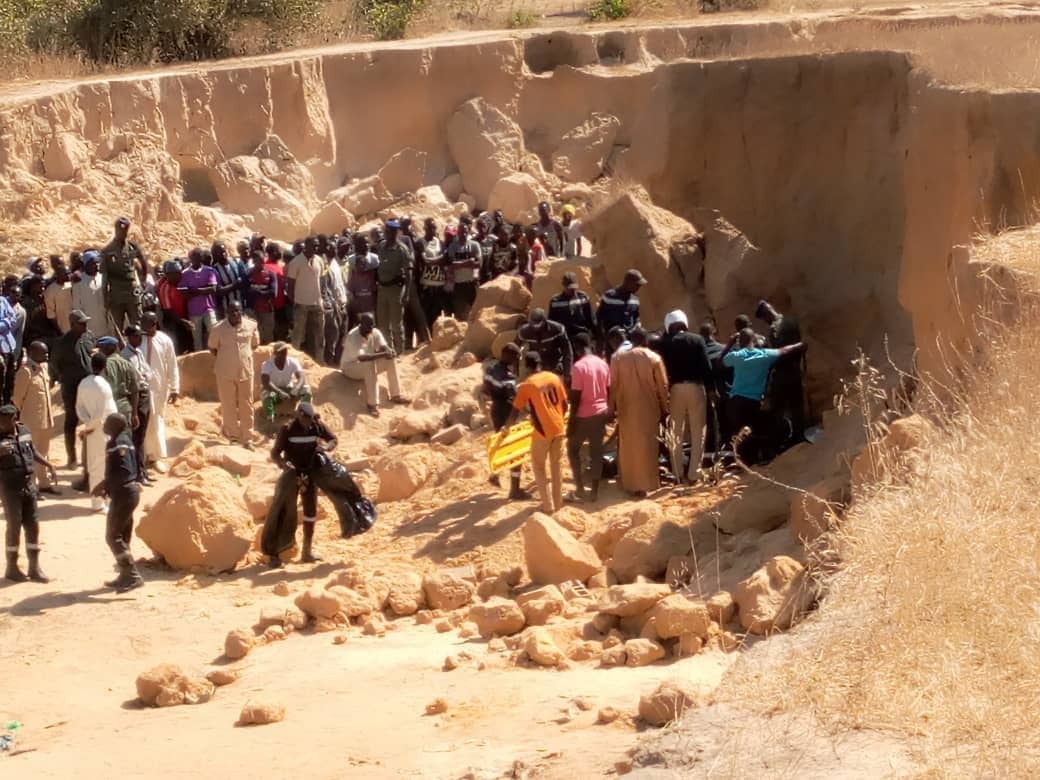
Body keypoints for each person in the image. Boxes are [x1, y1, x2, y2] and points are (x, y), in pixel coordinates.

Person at [722, 328, 806, 464]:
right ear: (753, 340)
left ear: (740, 341)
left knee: (741, 434)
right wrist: (800, 345)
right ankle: (762, 457)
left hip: (735, 402)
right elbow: (784, 350)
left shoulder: (736, 356)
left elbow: (722, 361)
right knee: (759, 428)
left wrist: (730, 344)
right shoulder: (764, 355)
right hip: (752, 403)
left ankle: (747, 463)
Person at [267, 402, 337, 565]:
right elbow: (275, 453)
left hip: (310, 473)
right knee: (283, 510)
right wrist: (283, 464)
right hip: (292, 474)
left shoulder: (316, 426)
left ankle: (307, 552)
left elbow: (333, 439)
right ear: (298, 415)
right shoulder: (287, 429)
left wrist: (327, 447)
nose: (308, 423)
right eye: (305, 419)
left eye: (310, 419)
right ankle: (274, 554)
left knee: (310, 512)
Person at [503, 352, 568, 515]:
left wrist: (506, 428)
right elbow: (565, 404)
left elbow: (515, 411)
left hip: (542, 431)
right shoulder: (554, 378)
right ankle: (558, 503)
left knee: (539, 467)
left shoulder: (528, 385)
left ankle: (547, 506)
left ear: (527, 366)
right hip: (559, 427)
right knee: (556, 466)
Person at [609, 328, 669, 497]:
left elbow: (613, 386)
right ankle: (648, 483)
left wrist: (611, 408)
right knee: (649, 445)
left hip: (626, 408)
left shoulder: (617, 358)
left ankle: (630, 484)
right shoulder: (654, 358)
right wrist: (665, 407)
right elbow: (662, 386)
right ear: (646, 341)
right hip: (649, 408)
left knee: (629, 446)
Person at [657, 310, 715, 485]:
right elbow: (707, 367)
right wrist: (712, 390)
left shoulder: (663, 343)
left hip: (674, 389)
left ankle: (677, 473)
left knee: (676, 431)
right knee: (698, 432)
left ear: (669, 326)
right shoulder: (697, 340)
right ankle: (694, 474)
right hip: (696, 388)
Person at [0, 403, 55, 582]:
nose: (1, 424)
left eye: (5, 421)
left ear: (14, 419)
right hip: (9, 488)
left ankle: (34, 567)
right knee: (14, 527)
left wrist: (48, 464)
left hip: (29, 485)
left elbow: (32, 451)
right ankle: (12, 567)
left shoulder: (24, 431)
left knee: (33, 526)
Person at [94, 413, 144, 592]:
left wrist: (104, 484)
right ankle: (125, 574)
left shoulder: (116, 443)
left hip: (123, 494)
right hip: (129, 492)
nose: (104, 424)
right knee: (122, 536)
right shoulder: (126, 440)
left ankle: (132, 576)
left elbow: (122, 471)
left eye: (107, 422)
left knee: (112, 536)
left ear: (115, 425)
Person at [208, 301, 260, 448]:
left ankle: (248, 437)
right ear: (227, 313)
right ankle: (233, 436)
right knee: (228, 403)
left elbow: (255, 345)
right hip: (225, 372)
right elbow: (213, 348)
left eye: (238, 311)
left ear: (241, 311)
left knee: (247, 404)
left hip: (245, 371)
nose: (236, 314)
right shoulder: (218, 329)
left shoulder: (251, 325)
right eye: (232, 312)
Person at [566, 332, 610, 503]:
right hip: (601, 412)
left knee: (573, 450)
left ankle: (580, 489)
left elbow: (576, 397)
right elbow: (608, 389)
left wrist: (571, 421)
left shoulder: (578, 367)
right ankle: (595, 492)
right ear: (590, 345)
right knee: (596, 452)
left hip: (584, 415)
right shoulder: (603, 364)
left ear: (577, 348)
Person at [756, 299, 807, 445]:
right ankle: (799, 435)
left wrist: (765, 348)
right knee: (797, 405)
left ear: (766, 315)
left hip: (783, 372)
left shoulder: (774, 329)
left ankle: (779, 440)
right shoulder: (791, 321)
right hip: (795, 368)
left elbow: (778, 352)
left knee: (777, 407)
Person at [12, 341, 58, 496]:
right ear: (32, 353)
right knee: (30, 456)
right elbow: (18, 399)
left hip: (46, 419)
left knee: (44, 454)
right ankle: (32, 488)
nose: (46, 355)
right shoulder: (25, 372)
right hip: (31, 421)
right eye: (43, 353)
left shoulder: (44, 368)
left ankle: (44, 484)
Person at [482, 343, 528, 500]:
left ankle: (495, 474)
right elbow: (514, 398)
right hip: (507, 412)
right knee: (516, 449)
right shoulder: (508, 376)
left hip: (495, 409)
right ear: (508, 355)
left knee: (499, 442)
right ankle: (515, 489)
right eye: (516, 357)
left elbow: (485, 389)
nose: (517, 360)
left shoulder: (489, 370)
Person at [51, 309, 96, 468]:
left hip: (89, 385)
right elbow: (55, 365)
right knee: (72, 419)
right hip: (71, 386)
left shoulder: (88, 337)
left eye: (86, 322)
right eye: (81, 323)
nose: (85, 325)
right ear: (72, 325)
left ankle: (89, 456)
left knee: (91, 419)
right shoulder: (62, 343)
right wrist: (66, 376)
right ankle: (72, 457)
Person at [340, 312, 406, 418]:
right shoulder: (353, 336)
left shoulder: (374, 331)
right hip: (350, 368)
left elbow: (384, 346)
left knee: (390, 360)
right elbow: (363, 358)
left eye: (372, 325)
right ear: (360, 324)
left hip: (365, 364)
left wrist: (389, 351)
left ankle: (395, 395)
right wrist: (384, 354)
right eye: (368, 325)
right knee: (369, 364)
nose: (371, 328)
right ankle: (372, 404)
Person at [77, 352, 117, 511]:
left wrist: (87, 426)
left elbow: (79, 408)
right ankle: (101, 501)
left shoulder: (83, 383)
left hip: (92, 430)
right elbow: (101, 413)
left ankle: (98, 501)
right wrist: (92, 426)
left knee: (94, 466)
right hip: (103, 430)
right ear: (104, 367)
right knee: (104, 466)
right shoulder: (103, 385)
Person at [140, 312, 179, 472]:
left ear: (155, 324)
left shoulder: (164, 340)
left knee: (156, 421)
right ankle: (143, 456)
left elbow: (172, 365)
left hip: (159, 387)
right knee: (143, 421)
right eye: (142, 323)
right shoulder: (137, 339)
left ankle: (155, 457)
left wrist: (175, 388)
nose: (144, 327)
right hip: (141, 388)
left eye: (148, 324)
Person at [120, 325, 154, 484]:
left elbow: (148, 372)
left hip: (145, 394)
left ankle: (142, 470)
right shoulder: (125, 356)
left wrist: (145, 377)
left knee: (142, 436)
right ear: (130, 337)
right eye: (138, 336)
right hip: (137, 396)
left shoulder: (138, 352)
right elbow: (133, 381)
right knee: (137, 436)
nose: (141, 339)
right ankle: (138, 473)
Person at [101, 217, 146, 330]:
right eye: (120, 230)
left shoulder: (132, 246)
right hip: (116, 294)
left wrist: (143, 282)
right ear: (116, 230)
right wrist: (105, 297)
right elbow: (105, 276)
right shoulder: (107, 251)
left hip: (132, 292)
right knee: (118, 327)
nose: (123, 233)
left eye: (125, 230)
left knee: (137, 324)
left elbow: (143, 263)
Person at [287, 236, 325, 362]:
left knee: (319, 335)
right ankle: (293, 362)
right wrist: (294, 301)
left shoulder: (319, 260)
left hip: (317, 303)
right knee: (298, 335)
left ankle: (319, 361)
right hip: (301, 304)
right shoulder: (296, 262)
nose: (316, 248)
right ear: (306, 245)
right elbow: (290, 285)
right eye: (314, 245)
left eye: (317, 245)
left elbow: (321, 281)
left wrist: (322, 299)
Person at [376, 220, 412, 354]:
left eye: (390, 231)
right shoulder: (381, 246)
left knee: (396, 324)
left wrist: (407, 293)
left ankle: (399, 351)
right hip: (382, 289)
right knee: (383, 324)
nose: (387, 233)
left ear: (395, 233)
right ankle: (389, 351)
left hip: (395, 290)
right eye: (386, 231)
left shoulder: (402, 249)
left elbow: (408, 272)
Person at [98, 336, 139, 438]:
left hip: (109, 407)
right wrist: (134, 413)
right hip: (125, 407)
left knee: (111, 442)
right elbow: (135, 390)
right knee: (126, 440)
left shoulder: (104, 366)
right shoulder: (127, 364)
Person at [261, 342, 311, 423]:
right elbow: (266, 382)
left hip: (289, 390)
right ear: (275, 353)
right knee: (267, 395)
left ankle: (304, 414)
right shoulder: (267, 364)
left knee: (306, 390)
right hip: (275, 392)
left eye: (285, 351)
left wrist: (296, 389)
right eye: (281, 352)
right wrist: (279, 392)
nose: (284, 353)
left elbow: (301, 377)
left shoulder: (293, 362)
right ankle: (270, 419)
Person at [517, 308, 573, 379]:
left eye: (538, 324)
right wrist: (516, 369)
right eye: (533, 324)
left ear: (544, 320)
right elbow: (515, 348)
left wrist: (568, 372)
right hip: (537, 367)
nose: (535, 327)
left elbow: (567, 351)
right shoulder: (525, 331)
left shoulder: (557, 329)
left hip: (555, 366)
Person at [180, 248, 218, 352]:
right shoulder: (185, 273)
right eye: (194, 257)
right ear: (190, 259)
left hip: (208, 308)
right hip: (194, 311)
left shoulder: (209, 270)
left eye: (199, 257)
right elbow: (184, 294)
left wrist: (194, 291)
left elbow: (212, 289)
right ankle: (200, 360)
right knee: (197, 339)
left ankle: (216, 354)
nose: (196, 259)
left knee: (214, 332)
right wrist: (203, 289)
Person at [548, 272, 596, 350]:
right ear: (564, 286)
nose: (572, 290)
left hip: (582, 336)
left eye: (574, 287)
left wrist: (595, 336)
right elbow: (552, 322)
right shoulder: (555, 301)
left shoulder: (583, 298)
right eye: (569, 288)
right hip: (565, 337)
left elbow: (590, 318)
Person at [447, 217, 482, 321]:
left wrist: (459, 264)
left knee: (477, 313)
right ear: (458, 232)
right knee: (460, 315)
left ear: (468, 232)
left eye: (465, 231)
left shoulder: (475, 245)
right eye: (461, 232)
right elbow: (451, 266)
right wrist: (468, 263)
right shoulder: (453, 246)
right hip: (459, 285)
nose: (464, 234)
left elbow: (478, 264)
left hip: (472, 284)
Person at [417, 218, 449, 330]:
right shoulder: (420, 242)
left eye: (434, 227)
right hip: (426, 285)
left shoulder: (440, 242)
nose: (433, 229)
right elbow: (424, 261)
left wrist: (431, 261)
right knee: (426, 314)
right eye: (430, 227)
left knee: (437, 315)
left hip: (439, 284)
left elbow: (444, 259)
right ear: (425, 228)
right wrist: (437, 260)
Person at [597, 269, 645, 341]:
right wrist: (603, 338)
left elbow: (636, 318)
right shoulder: (609, 296)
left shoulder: (635, 300)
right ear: (629, 283)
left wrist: (637, 326)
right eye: (637, 285)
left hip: (629, 340)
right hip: (612, 341)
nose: (639, 287)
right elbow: (599, 318)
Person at [72, 251, 109, 338]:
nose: (96, 265)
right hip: (89, 325)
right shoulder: (79, 282)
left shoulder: (103, 277)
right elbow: (76, 305)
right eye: (92, 263)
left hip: (105, 324)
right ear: (85, 265)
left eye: (97, 263)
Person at [347, 234, 379, 331]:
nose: (366, 245)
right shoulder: (351, 260)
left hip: (370, 300)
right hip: (358, 301)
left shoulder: (375, 259)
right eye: (363, 243)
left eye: (367, 243)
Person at [247, 250, 277, 344]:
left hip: (267, 310)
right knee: (255, 338)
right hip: (253, 311)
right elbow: (246, 292)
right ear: (254, 261)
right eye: (259, 261)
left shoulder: (270, 274)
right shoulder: (248, 274)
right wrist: (263, 291)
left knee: (268, 337)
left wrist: (257, 291)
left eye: (263, 260)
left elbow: (273, 293)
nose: (262, 263)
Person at [212, 241, 247, 318]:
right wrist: (235, 285)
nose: (223, 254)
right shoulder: (215, 269)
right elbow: (219, 291)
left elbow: (244, 280)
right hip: (226, 309)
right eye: (219, 253)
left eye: (224, 251)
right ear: (215, 255)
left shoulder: (236, 262)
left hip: (241, 304)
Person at [44, 261, 73, 335]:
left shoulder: (71, 285)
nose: (69, 275)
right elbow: (51, 315)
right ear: (58, 275)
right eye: (66, 274)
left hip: (75, 327)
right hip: (64, 329)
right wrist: (59, 331)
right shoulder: (50, 291)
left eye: (69, 273)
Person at [0, 289, 16, 406]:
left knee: (9, 379)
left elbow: (13, 318)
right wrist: (6, 322)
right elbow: (8, 320)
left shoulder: (3, 300)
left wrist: (5, 322)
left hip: (9, 346)